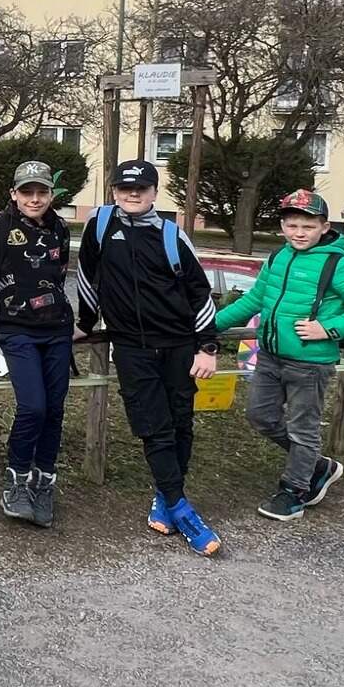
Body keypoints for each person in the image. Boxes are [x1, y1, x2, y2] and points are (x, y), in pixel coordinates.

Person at [76, 159, 224, 556]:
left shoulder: (172, 235)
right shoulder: (100, 225)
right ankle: (182, 509)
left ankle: (165, 495)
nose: (133, 194)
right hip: (130, 345)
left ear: (155, 192)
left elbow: (199, 294)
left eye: (141, 188)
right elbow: (89, 277)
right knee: (153, 427)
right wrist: (86, 324)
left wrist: (207, 347)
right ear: (114, 192)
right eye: (125, 189)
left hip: (179, 344)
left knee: (180, 423)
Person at [215, 189, 344, 522]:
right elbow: (255, 301)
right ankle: (318, 466)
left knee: (302, 429)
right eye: (292, 225)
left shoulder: (338, 263)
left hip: (310, 363)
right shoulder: (278, 258)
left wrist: (328, 329)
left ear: (323, 227)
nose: (299, 233)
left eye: (308, 226)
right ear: (282, 227)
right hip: (270, 356)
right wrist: (209, 325)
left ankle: (296, 490)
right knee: (260, 416)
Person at [0, 160, 73, 528]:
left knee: (54, 410)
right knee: (33, 407)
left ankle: (43, 483)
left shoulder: (59, 227)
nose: (35, 199)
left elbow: (58, 275)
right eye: (27, 192)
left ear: (51, 195)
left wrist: (79, 324)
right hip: (15, 326)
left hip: (56, 328)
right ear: (14, 194)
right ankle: (17, 480)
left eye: (41, 192)